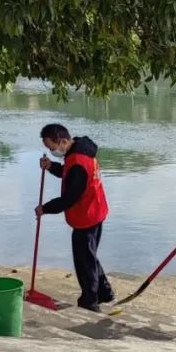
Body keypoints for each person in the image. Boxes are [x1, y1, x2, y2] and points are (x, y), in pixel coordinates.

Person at [35, 124, 113, 311]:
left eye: (52, 147)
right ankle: (104, 292)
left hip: (87, 216)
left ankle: (90, 301)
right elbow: (68, 174)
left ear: (62, 141)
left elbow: (70, 198)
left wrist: (45, 208)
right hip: (95, 211)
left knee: (84, 261)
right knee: (89, 255)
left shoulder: (79, 161)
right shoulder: (78, 151)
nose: (51, 151)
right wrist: (52, 166)